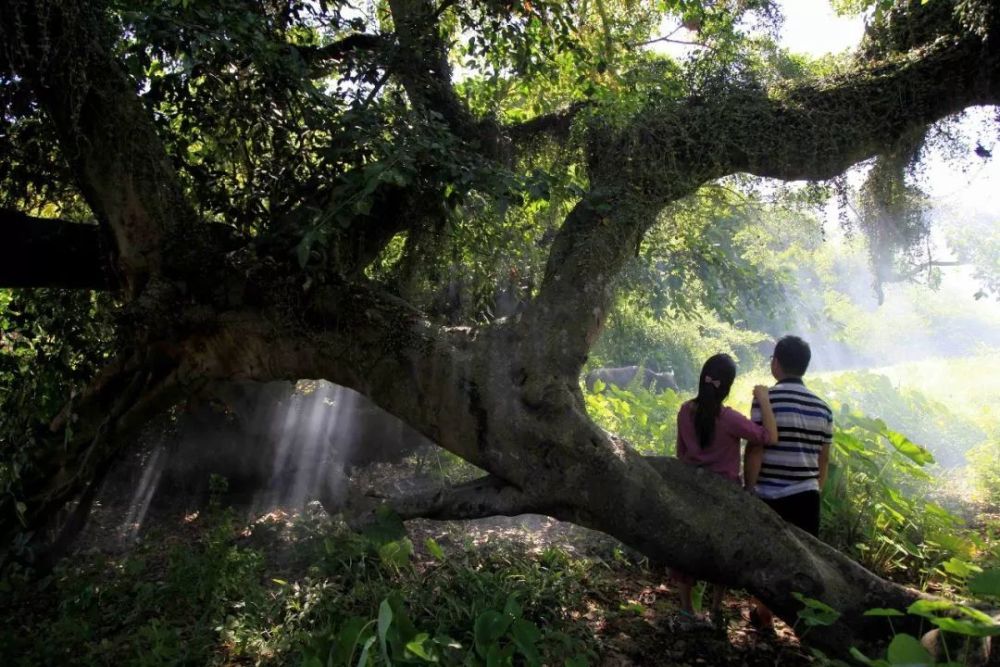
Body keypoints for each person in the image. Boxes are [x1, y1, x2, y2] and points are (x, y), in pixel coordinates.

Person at [674, 353, 779, 621]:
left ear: (703, 380)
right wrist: (764, 401)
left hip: (691, 493)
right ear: (729, 387)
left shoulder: (685, 410)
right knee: (721, 551)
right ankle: (716, 610)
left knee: (686, 549)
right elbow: (769, 437)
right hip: (725, 498)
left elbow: (680, 453)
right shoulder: (730, 418)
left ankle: (687, 610)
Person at [743, 335, 834, 632]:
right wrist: (815, 488)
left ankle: (764, 613)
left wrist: (750, 488)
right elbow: (824, 460)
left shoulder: (766, 399)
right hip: (807, 495)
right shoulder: (823, 408)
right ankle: (803, 624)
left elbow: (757, 447)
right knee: (804, 562)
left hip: (769, 493)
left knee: (763, 557)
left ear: (776, 364)